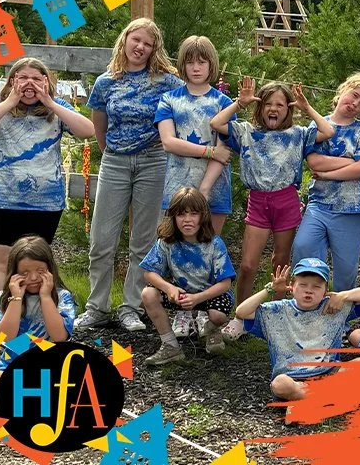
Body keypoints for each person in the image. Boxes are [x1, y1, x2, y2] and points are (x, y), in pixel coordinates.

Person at [75, 18, 183, 331]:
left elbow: (194, 97)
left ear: (154, 50)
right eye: (136, 40)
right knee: (102, 239)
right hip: (115, 162)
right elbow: (98, 118)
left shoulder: (166, 81)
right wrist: (108, 148)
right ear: (125, 40)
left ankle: (131, 307)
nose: (140, 47)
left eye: (147, 44)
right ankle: (97, 307)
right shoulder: (106, 81)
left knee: (144, 240)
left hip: (153, 162)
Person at [211, 77, 334, 340]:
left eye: (280, 104)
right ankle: (241, 317)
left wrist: (307, 108)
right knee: (247, 264)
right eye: (268, 103)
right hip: (258, 201)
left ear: (288, 110)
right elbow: (216, 123)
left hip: (286, 201)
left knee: (280, 262)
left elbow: (328, 131)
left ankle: (277, 315)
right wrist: (238, 103)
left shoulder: (298, 134)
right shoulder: (246, 132)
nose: (273, 109)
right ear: (260, 107)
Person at [0, 57, 94, 301]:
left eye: (36, 78)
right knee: (3, 259)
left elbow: (87, 130)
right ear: (12, 81)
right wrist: (9, 101)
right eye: (23, 78)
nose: (29, 83)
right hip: (4, 199)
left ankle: (35, 315)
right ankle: (0, 316)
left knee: (38, 263)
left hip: (46, 202)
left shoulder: (56, 108)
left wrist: (50, 102)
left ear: (46, 82)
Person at [154, 35, 235, 339]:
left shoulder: (223, 102)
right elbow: (168, 142)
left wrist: (203, 189)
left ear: (211, 63)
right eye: (190, 60)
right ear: (182, 63)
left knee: (208, 251)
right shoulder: (170, 100)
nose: (196, 67)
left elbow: (223, 151)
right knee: (176, 251)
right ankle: (181, 312)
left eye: (202, 61)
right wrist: (206, 151)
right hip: (175, 187)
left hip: (213, 189)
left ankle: (204, 313)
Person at [235, 258, 360, 401]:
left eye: (316, 287)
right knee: (279, 384)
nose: (309, 290)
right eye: (303, 285)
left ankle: (305, 400)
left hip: (328, 373)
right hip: (292, 378)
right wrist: (270, 289)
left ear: (325, 291)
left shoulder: (332, 306)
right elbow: (241, 312)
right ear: (292, 287)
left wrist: (342, 296)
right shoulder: (277, 311)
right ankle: (321, 398)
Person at [0, 236, 76, 418]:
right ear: (13, 272)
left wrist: (46, 298)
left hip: (48, 372)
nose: (33, 277)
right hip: (11, 369)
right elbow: (5, 338)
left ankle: (3, 405)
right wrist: (16, 299)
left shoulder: (62, 298)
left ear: (50, 269)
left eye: (40, 270)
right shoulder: (3, 298)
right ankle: (26, 406)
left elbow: (59, 337)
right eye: (24, 272)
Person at [293, 72, 360, 304]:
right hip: (318, 205)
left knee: (346, 268)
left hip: (352, 208)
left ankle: (343, 318)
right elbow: (314, 162)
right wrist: (351, 162)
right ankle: (308, 306)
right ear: (343, 90)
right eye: (354, 95)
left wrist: (327, 174)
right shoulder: (318, 124)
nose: (355, 104)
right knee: (304, 247)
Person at [139, 189, 236, 364]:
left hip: (210, 294)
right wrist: (169, 288)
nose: (187, 220)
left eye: (193, 214)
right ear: (173, 217)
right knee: (148, 294)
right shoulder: (167, 242)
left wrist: (198, 298)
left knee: (218, 316)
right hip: (180, 294)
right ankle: (171, 347)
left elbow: (225, 283)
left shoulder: (214, 244)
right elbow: (149, 272)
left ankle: (211, 330)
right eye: (181, 214)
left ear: (203, 216)